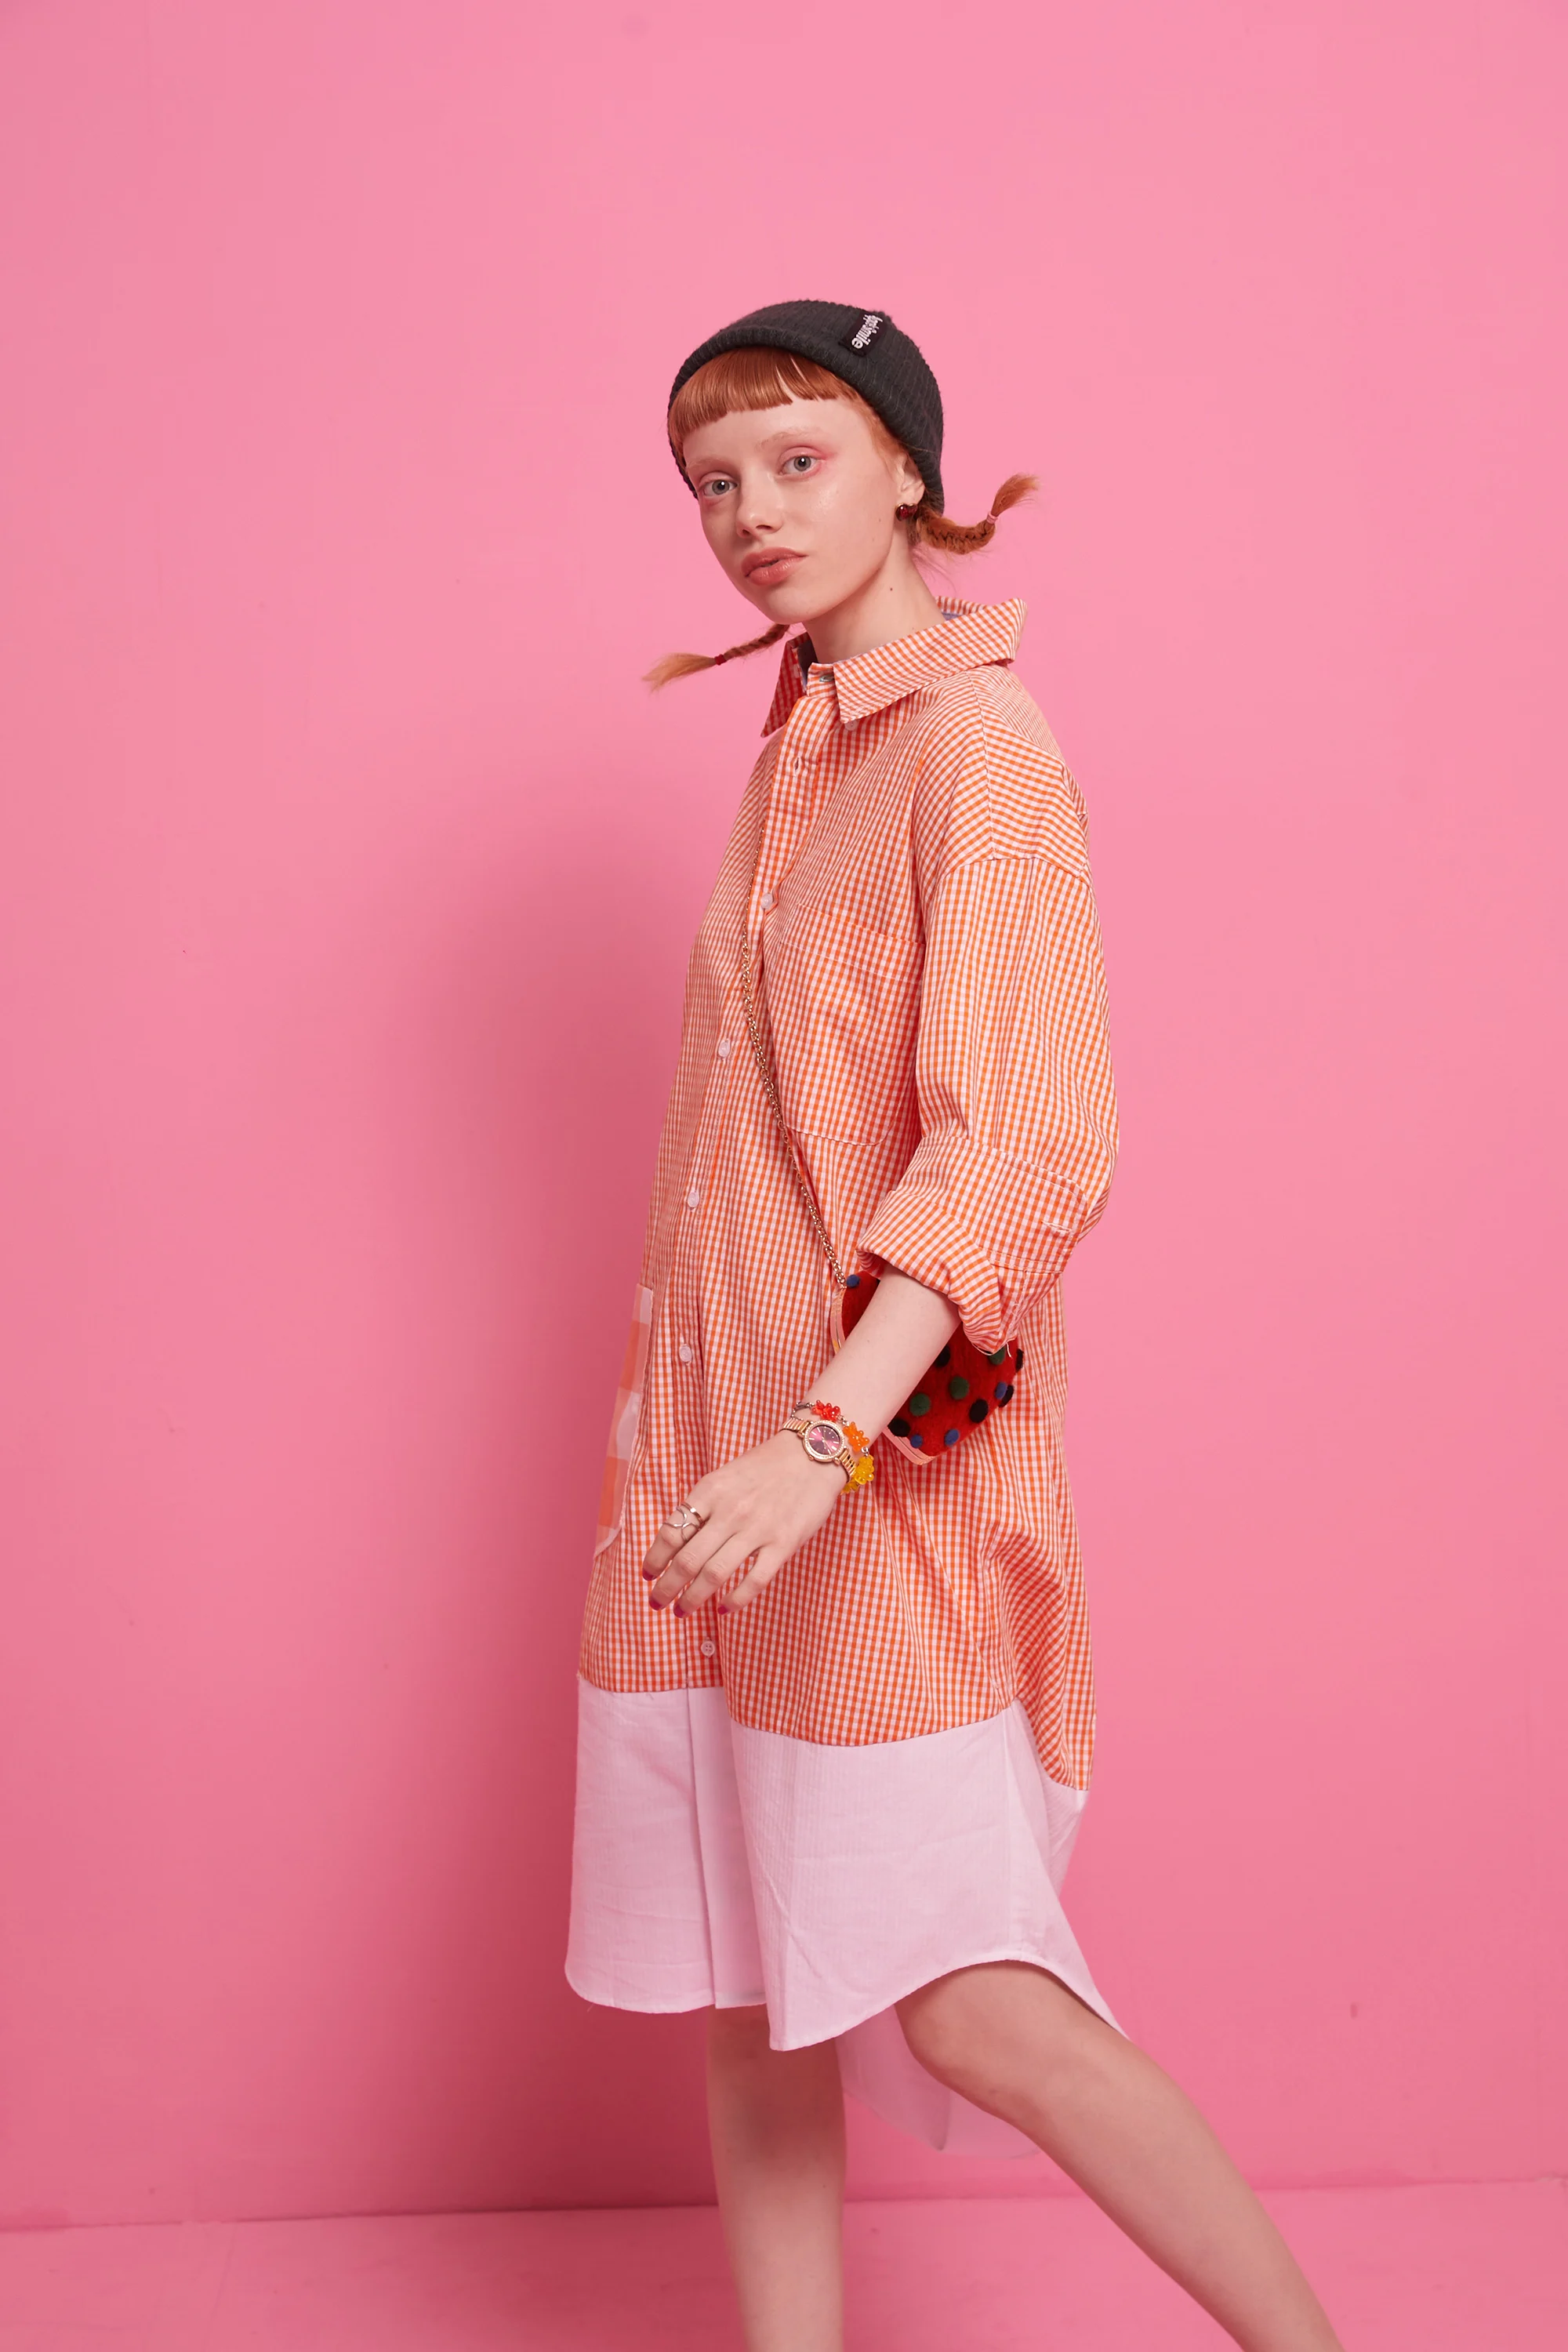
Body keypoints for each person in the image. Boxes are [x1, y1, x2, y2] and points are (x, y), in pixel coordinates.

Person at [566, 300, 1343, 2352]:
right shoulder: (806, 750)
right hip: (717, 1481)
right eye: (712, 483)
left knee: (971, 1995)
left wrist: (820, 1441)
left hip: (861, 1473)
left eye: (798, 460)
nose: (750, 514)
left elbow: (1026, 1141)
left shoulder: (975, 752)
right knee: (752, 1981)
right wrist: (728, 1451)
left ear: (908, 465)